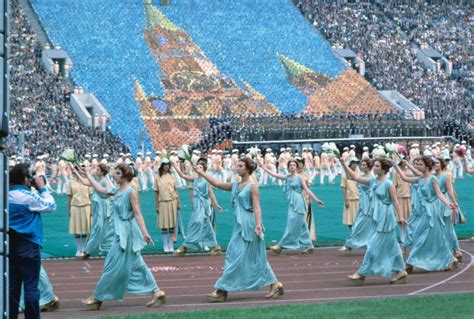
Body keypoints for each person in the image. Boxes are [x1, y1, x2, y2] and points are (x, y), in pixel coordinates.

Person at [195, 158, 283, 302]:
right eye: (237, 165)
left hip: (249, 225)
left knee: (236, 256)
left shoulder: (253, 186)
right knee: (249, 256)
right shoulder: (236, 185)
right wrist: (201, 172)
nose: (238, 168)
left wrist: (259, 225)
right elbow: (216, 183)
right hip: (239, 225)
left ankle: (222, 290)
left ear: (248, 169)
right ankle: (275, 284)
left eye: (241, 166)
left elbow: (256, 207)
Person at [81, 164, 165, 310]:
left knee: (112, 265)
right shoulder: (116, 190)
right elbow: (100, 189)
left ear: (125, 176)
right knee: (137, 263)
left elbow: (138, 213)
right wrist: (87, 175)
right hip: (120, 233)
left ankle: (97, 297)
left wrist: (145, 233)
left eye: (118, 173)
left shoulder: (131, 192)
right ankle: (157, 291)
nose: (114, 175)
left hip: (127, 233)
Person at [346, 158, 408, 285]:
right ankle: (401, 271)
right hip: (376, 216)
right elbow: (355, 177)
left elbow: (395, 201)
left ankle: (361, 273)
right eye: (374, 166)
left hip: (385, 218)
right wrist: (342, 163)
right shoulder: (373, 180)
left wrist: (400, 216)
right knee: (392, 245)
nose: (375, 168)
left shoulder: (388, 183)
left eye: (377, 166)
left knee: (372, 245)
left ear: (384, 169)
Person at [9, 163, 57, 319]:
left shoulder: (5, 195)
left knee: (12, 287)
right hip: (29, 244)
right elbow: (51, 205)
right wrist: (42, 188)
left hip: (9, 244)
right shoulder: (28, 197)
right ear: (24, 179)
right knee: (31, 287)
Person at [393, 157, 457, 272]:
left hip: (431, 212)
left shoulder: (432, 179)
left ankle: (410, 263)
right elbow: (405, 178)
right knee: (431, 237)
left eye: (421, 165)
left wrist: (448, 203)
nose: (418, 166)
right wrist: (396, 165)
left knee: (421, 236)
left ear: (427, 167)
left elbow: (439, 194)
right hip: (423, 211)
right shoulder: (421, 178)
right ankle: (449, 258)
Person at [260, 159, 324, 254]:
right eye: (290, 165)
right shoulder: (287, 177)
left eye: (294, 165)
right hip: (292, 203)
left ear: (296, 167)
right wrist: (263, 167)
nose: (292, 167)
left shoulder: (300, 177)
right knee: (302, 225)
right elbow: (274, 175)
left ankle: (280, 245)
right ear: (288, 167)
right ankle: (309, 245)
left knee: (292, 225)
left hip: (298, 202)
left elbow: (307, 189)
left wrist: (316, 199)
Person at [172, 159, 223, 256]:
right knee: (205, 226)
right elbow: (182, 176)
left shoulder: (206, 180)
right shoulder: (195, 179)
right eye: (197, 166)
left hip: (203, 205)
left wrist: (216, 205)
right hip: (197, 204)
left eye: (200, 167)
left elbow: (211, 194)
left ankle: (185, 246)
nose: (197, 168)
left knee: (196, 223)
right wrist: (175, 166)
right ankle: (215, 246)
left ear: (203, 169)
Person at [72, 164, 114, 258]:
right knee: (97, 227)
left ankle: (90, 250)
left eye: (98, 169)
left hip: (104, 207)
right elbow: (84, 181)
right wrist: (76, 172)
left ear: (102, 172)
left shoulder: (105, 181)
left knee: (101, 227)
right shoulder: (98, 180)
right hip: (98, 207)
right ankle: (91, 249)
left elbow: (107, 193)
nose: (96, 171)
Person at [339, 158, 374, 252]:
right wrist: (344, 165)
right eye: (361, 164)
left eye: (363, 165)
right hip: (363, 204)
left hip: (369, 205)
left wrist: (344, 165)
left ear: (369, 166)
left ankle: (350, 244)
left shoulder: (371, 177)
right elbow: (351, 178)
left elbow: (354, 177)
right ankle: (352, 244)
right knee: (358, 225)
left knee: (361, 225)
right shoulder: (363, 175)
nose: (361, 166)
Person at [153, 158, 180, 252]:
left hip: (172, 201)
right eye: (165, 164)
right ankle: (165, 244)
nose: (166, 166)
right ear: (162, 166)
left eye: (168, 164)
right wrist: (157, 206)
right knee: (164, 225)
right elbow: (156, 192)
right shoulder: (157, 177)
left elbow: (175, 190)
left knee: (172, 224)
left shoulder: (172, 176)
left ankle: (171, 244)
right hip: (163, 202)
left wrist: (178, 203)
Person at [66, 168, 93, 257]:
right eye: (76, 170)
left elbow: (90, 196)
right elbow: (69, 197)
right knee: (76, 229)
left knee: (85, 229)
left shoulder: (87, 181)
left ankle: (84, 249)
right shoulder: (71, 182)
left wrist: (92, 209)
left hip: (86, 206)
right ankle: (78, 249)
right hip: (75, 206)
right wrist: (69, 209)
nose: (77, 172)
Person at [340, 158, 360, 231]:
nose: (355, 165)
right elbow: (343, 188)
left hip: (358, 199)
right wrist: (346, 200)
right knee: (350, 220)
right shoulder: (344, 175)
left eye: (356, 163)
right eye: (353, 163)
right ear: (350, 164)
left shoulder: (358, 174)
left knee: (358, 219)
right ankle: (352, 233)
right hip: (350, 199)